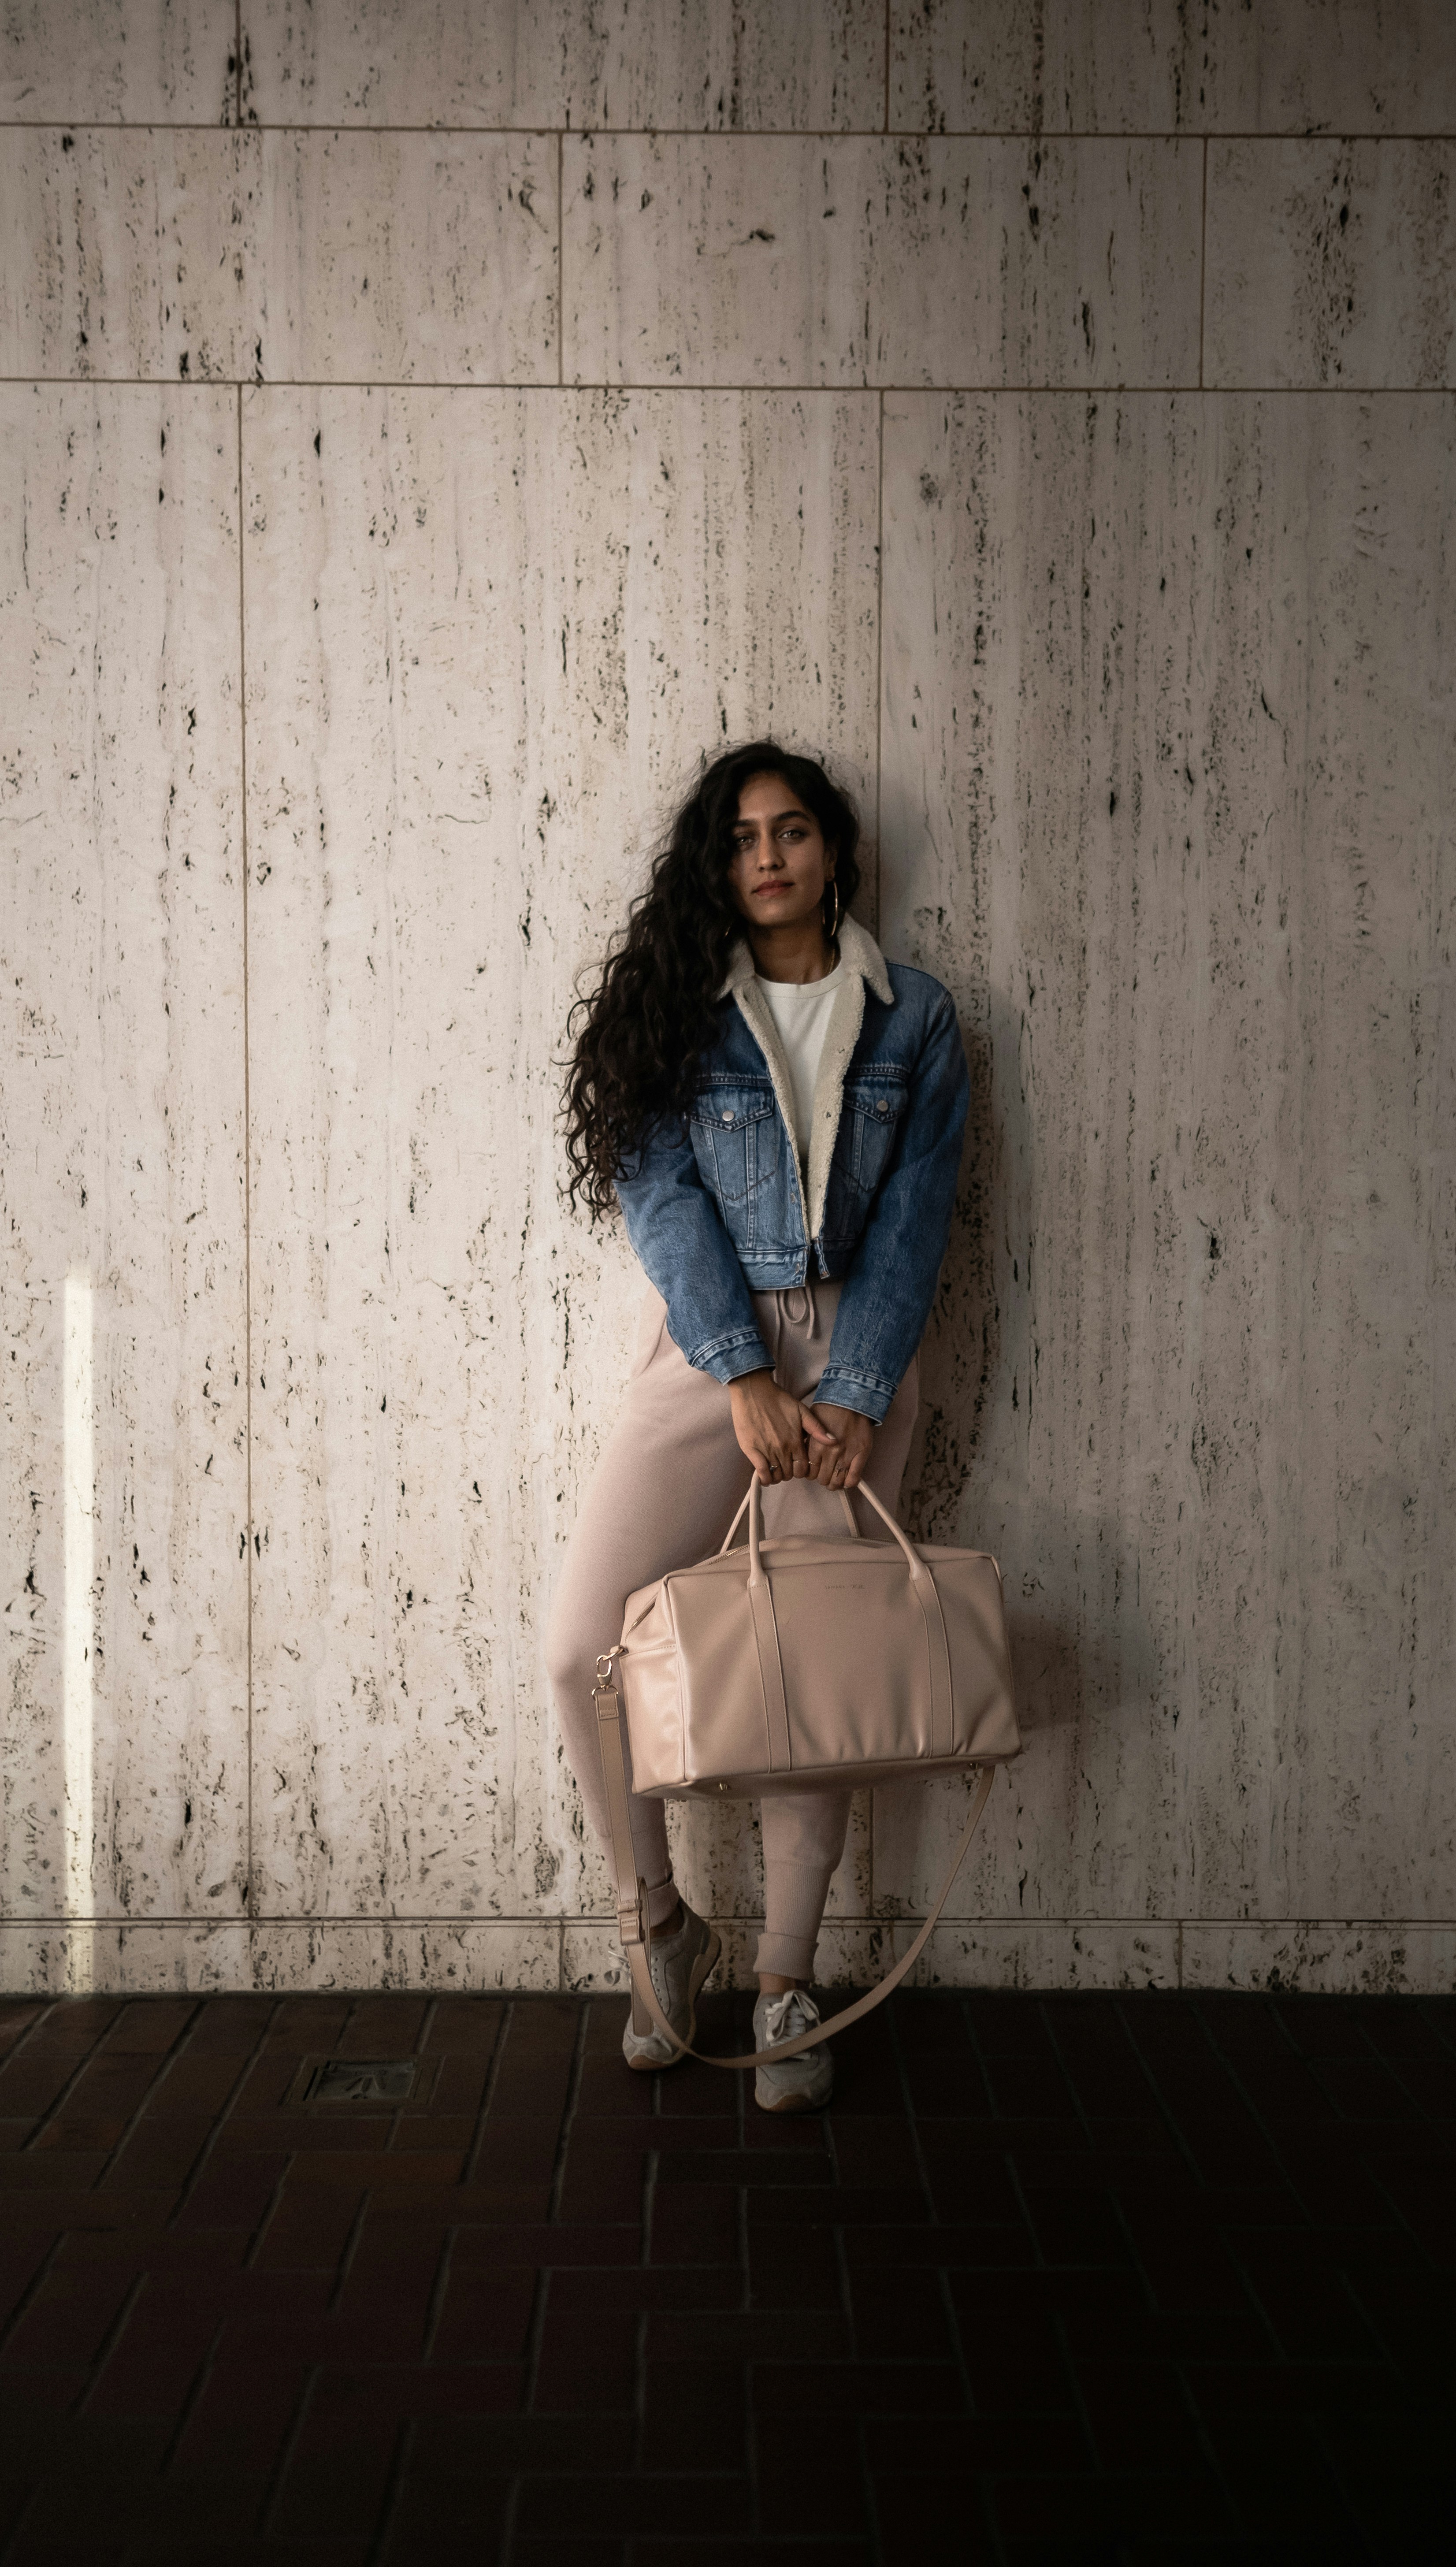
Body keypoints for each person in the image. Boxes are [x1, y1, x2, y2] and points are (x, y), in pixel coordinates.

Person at [549, 742, 969, 2110]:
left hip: (855, 1351)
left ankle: (787, 1976)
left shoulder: (918, 1020)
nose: (768, 856)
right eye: (741, 839)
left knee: (813, 1670)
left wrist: (850, 1387)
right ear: (716, 867)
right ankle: (658, 1928)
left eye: (792, 831)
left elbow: (916, 1219)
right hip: (710, 1352)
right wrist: (739, 1369)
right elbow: (662, 1197)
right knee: (579, 1648)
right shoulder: (682, 1014)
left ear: (833, 852)